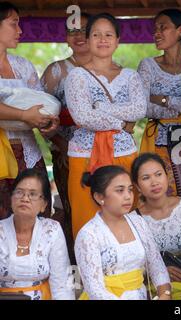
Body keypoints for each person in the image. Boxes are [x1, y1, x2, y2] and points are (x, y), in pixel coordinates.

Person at [64, 13, 147, 237]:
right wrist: (121, 122)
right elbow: (82, 117)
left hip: (124, 153)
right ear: (88, 40)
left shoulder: (130, 76)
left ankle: (128, 270)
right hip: (85, 155)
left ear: (118, 40)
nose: (103, 39)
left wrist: (99, 107)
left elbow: (139, 109)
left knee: (127, 215)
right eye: (96, 34)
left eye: (109, 34)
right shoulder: (76, 77)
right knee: (86, 219)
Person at [137, 9, 181, 208]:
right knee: (160, 197)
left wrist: (163, 99)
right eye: (155, 29)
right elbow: (142, 107)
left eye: (163, 27)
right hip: (156, 138)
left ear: (180, 30)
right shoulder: (147, 65)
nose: (156, 33)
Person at [75, 165, 171, 300]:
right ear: (99, 197)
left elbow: (157, 267)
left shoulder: (138, 222)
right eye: (120, 191)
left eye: (130, 190)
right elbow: (95, 290)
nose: (128, 196)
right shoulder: (88, 235)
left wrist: (165, 294)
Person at [0, 1, 58, 219]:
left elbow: (42, 104)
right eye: (14, 24)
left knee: (39, 214)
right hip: (1, 155)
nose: (20, 30)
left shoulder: (23, 65)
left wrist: (46, 123)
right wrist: (24, 115)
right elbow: (28, 113)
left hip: (28, 153)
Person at [40, 12, 92, 252]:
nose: (78, 36)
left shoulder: (111, 69)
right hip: (66, 154)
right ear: (65, 37)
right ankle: (76, 270)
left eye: (84, 29)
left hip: (106, 152)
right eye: (72, 31)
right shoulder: (56, 71)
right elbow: (40, 117)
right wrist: (64, 147)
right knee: (73, 211)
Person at [130, 153, 181, 300]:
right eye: (146, 178)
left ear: (167, 176)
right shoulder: (133, 219)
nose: (154, 182)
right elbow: (131, 264)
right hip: (154, 287)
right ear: (137, 186)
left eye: (158, 174)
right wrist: (159, 273)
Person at [0, 169, 74, 300]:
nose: (25, 198)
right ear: (11, 199)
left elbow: (62, 284)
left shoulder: (52, 230)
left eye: (33, 194)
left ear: (44, 205)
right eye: (19, 192)